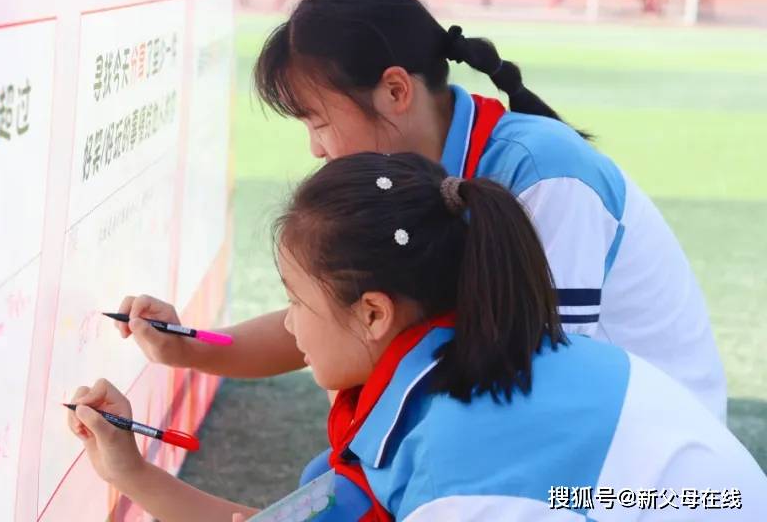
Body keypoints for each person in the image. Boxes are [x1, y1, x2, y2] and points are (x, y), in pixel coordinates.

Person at [115, 0, 726, 419]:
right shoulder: (403, 182)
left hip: (647, 480)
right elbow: (326, 319)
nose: (315, 150)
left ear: (395, 91)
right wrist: (194, 347)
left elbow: (553, 388)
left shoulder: (544, 177)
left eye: (319, 122)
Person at [70, 154, 765, 520]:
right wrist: (129, 471)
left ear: (374, 313)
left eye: (295, 301)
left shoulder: (462, 462)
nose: (287, 325)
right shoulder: (456, 374)